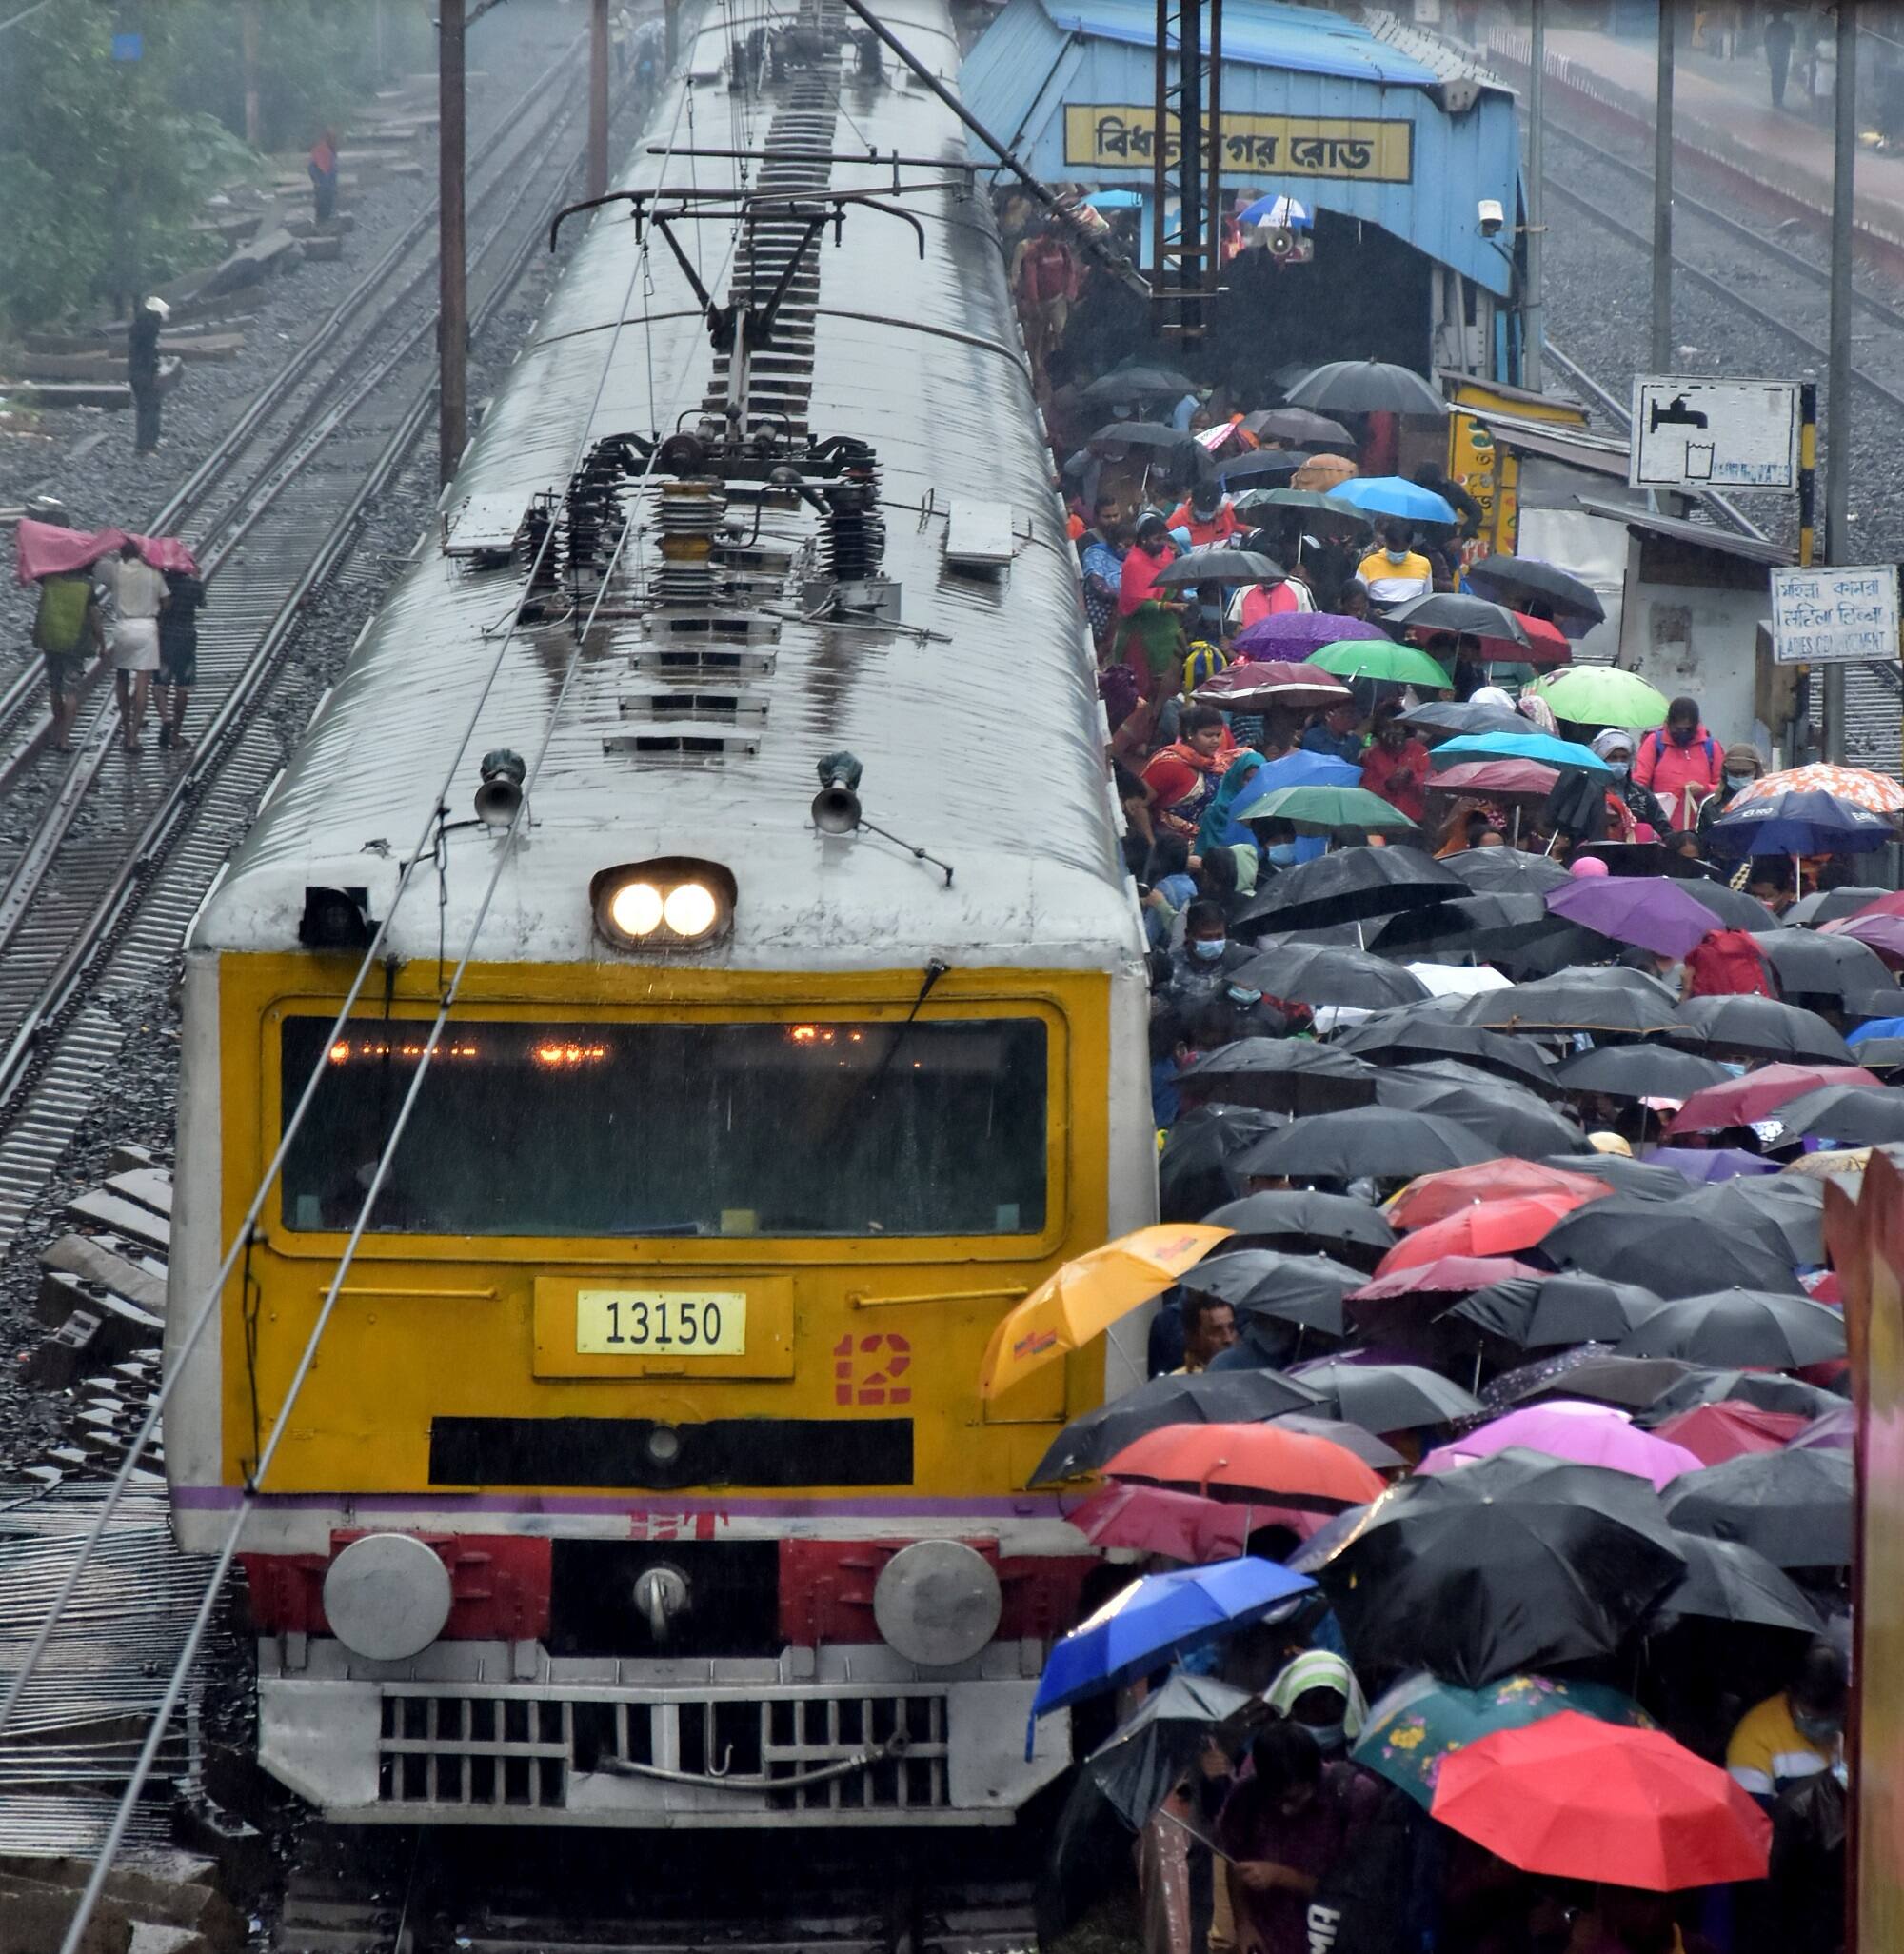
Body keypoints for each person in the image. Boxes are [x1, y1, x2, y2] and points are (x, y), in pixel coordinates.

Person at [1218, 1723, 1377, 1954]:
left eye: (1295, 1798)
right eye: (1276, 1799)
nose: (1285, 1810)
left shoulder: (1354, 1797)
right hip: (1268, 1938)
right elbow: (1235, 1862)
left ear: (1313, 1777)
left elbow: (1357, 1894)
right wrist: (1243, 1924)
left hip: (1330, 1940)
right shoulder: (1245, 1797)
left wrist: (1280, 1876)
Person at [1726, 1642, 1847, 1804]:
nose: (1822, 1725)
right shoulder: (1754, 1737)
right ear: (1791, 1694)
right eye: (1811, 1717)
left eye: (1830, 1716)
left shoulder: (1855, 1720)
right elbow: (1751, 1820)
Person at [30, 560, 106, 755]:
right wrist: (102, 642)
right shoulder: (86, 586)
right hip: (74, 644)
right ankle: (64, 739)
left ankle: (57, 731)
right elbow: (95, 617)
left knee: (55, 688)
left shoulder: (50, 579)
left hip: (51, 640)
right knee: (71, 692)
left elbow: (34, 571)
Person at [102, 540, 167, 752]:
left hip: (123, 628)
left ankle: (127, 727)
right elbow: (166, 601)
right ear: (140, 553)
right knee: (142, 685)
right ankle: (133, 737)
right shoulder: (153, 573)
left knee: (121, 678)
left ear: (122, 553)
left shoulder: (115, 570)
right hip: (147, 627)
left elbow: (97, 572)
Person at [1118, 517, 1191, 698]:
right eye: (1158, 539)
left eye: (1165, 538)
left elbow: (1171, 582)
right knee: (1144, 690)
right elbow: (1133, 603)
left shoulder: (1166, 555)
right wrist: (1167, 606)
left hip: (1169, 632)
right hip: (1143, 636)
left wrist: (1178, 591)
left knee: (1173, 686)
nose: (1163, 544)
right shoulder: (1133, 564)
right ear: (1143, 539)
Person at [1144, 704, 1236, 841]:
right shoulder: (1168, 764)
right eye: (1208, 735)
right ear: (1190, 734)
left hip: (1207, 846)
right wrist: (1151, 843)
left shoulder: (1215, 766)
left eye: (1218, 735)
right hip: (1170, 848)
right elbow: (1138, 804)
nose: (1215, 741)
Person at [1633, 696, 1724, 831]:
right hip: (1661, 826)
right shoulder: (1654, 742)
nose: (1683, 733)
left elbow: (1722, 786)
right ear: (1669, 723)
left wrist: (1704, 789)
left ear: (1696, 724)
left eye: (1687, 729)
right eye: (1678, 729)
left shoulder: (1711, 746)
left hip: (1701, 825)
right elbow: (1639, 782)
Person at [1260, 1650, 1368, 1763]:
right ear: (1292, 1709)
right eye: (1314, 1707)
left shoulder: (1368, 1758)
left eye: (1333, 1702)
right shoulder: (1269, 1759)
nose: (1323, 1716)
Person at [155, 565, 205, 751]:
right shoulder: (193, 585)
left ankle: (165, 716)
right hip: (187, 639)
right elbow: (201, 602)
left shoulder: (162, 583)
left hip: (165, 638)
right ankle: (175, 734)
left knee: (160, 684)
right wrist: (197, 578)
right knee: (183, 687)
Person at [1359, 701, 1431, 826]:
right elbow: (1366, 791)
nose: (1392, 733)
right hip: (1381, 822)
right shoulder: (1371, 756)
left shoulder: (1420, 752)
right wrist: (1388, 785)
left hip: (1414, 822)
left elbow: (1430, 786)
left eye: (1396, 727)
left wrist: (1411, 778)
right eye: (1386, 728)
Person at [1696, 741, 1766, 846]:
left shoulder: (1769, 802)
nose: (1739, 777)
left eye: (1745, 773)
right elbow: (1701, 846)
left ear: (1756, 771)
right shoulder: (1710, 805)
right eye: (1734, 773)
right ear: (1725, 772)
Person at [1683, 926, 1775, 998]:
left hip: (1718, 1007)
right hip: (1757, 999)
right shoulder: (1742, 939)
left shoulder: (1699, 953)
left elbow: (1689, 988)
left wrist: (1685, 994)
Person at [1355, 522, 1434, 608]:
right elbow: (1358, 598)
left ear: (1410, 545)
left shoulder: (1423, 564)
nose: (1397, 553)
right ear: (1386, 542)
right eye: (1393, 550)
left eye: (1402, 550)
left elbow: (1426, 598)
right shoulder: (1368, 564)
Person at [1081, 515, 1128, 656]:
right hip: (1099, 611)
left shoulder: (1133, 559)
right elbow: (1096, 582)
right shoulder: (1097, 553)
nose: (1130, 549)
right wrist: (1119, 597)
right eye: (1126, 544)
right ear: (1117, 543)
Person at [127, 296, 167, 455]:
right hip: (145, 373)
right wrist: (154, 370)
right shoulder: (151, 328)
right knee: (151, 407)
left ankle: (143, 443)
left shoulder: (137, 326)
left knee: (143, 408)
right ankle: (148, 445)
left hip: (134, 371)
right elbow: (150, 353)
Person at [1412, 462, 1483, 541]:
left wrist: (1461, 538)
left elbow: (1476, 512)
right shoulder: (1412, 490)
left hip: (1445, 544)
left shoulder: (1452, 490)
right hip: (1415, 545)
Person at [1176, 1292, 1240, 1372]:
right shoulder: (1176, 1382)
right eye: (1217, 1331)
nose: (1228, 1339)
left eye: (1232, 1328)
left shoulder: (1253, 1374)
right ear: (1193, 1337)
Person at [1167, 486, 1241, 549]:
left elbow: (1247, 529)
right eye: (1203, 509)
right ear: (1193, 503)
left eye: (1210, 510)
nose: (1207, 514)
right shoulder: (1175, 522)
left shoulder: (1227, 510)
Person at [1300, 701, 1363, 767]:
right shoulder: (1314, 736)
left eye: (1351, 714)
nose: (1347, 718)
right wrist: (1355, 738)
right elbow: (1333, 763)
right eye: (1342, 713)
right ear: (1329, 715)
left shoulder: (1353, 739)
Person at [1765, 6, 1795, 107]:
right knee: (1780, 77)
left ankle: (1777, 99)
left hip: (1777, 55)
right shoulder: (1788, 26)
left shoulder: (1770, 27)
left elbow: (1766, 42)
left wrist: (1769, 56)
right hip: (1781, 55)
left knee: (1778, 77)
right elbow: (1793, 40)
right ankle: (1778, 99)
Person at [308, 129, 340, 226]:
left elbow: (332, 167)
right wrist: (318, 180)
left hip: (325, 177)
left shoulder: (331, 150)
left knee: (326, 196)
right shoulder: (323, 150)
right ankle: (321, 219)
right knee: (323, 196)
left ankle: (324, 218)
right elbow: (316, 167)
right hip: (321, 176)